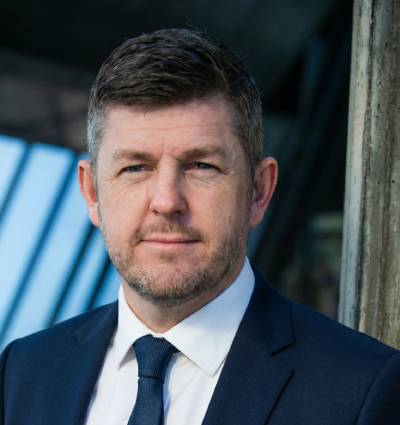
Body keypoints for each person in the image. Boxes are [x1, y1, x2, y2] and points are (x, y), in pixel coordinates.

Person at [1, 28, 400, 425]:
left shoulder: (361, 388)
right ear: (91, 192)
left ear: (258, 191)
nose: (166, 202)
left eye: (201, 166)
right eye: (135, 168)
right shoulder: (21, 372)